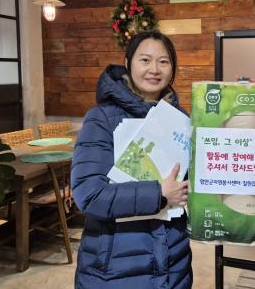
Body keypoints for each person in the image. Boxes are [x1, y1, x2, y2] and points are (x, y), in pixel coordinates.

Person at [71, 30, 191, 289]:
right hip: (115, 265)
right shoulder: (101, 118)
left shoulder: (180, 120)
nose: (154, 69)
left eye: (163, 61)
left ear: (172, 69)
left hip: (173, 258)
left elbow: (196, 179)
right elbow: (88, 195)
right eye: (145, 60)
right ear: (127, 63)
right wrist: (159, 193)